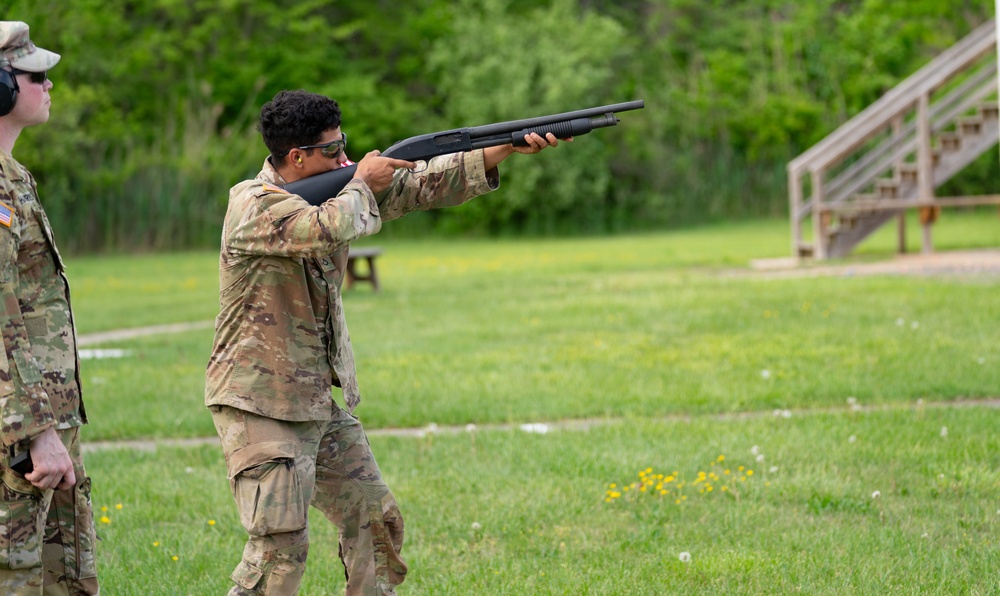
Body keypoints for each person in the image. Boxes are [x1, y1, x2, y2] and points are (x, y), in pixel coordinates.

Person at [205, 89, 566, 595]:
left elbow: (422, 186)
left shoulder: (338, 188)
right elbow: (323, 228)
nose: (345, 159)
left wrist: (505, 147)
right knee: (278, 551)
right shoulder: (253, 204)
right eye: (332, 152)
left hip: (314, 400)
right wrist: (361, 182)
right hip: (260, 403)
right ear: (296, 157)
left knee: (375, 519)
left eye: (344, 146)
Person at [0, 21, 99, 595]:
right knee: (15, 572)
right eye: (37, 76)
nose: (50, 86)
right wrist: (35, 431)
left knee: (64, 570)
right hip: (19, 426)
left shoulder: (16, 178)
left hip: (42, 417)